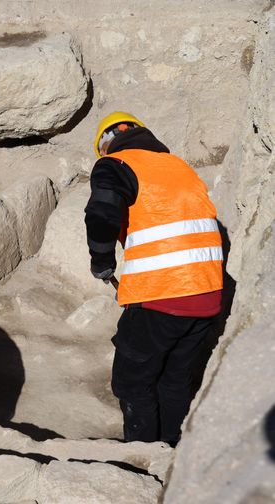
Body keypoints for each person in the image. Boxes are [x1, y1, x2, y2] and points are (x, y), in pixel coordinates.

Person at [85, 112, 223, 446]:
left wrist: (101, 260)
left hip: (161, 294)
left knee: (133, 383)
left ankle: (142, 457)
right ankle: (171, 451)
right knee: (175, 380)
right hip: (208, 294)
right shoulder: (179, 167)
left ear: (107, 143)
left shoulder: (115, 164)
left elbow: (102, 212)